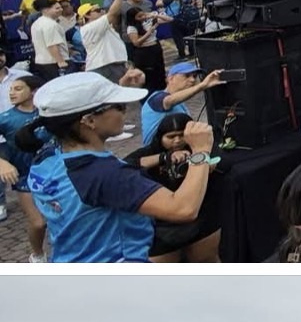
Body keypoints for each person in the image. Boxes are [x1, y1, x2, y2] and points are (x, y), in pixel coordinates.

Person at [18, 72, 215, 263]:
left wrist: (116, 88)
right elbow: (183, 209)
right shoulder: (104, 174)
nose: (125, 111)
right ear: (90, 120)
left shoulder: (46, 156)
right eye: (119, 106)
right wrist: (200, 151)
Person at [123, 113, 222, 262]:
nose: (177, 141)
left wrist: (203, 163)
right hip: (163, 227)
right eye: (171, 137)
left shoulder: (203, 148)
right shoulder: (150, 152)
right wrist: (164, 158)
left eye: (182, 135)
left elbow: (220, 160)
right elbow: (125, 166)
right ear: (160, 137)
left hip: (200, 218)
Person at [0, 71, 46, 261]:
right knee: (38, 223)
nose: (12, 93)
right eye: (11, 89)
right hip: (25, 176)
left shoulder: (47, 112)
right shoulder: (5, 118)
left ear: (34, 91)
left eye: (18, 89)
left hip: (52, 172)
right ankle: (37, 255)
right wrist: (2, 162)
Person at [140, 61, 224, 145]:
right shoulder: (157, 97)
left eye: (194, 76)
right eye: (186, 76)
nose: (192, 80)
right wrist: (203, 85)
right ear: (170, 78)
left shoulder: (180, 103)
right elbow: (168, 100)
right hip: (157, 150)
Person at [29, 0, 68, 84]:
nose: (61, 9)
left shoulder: (36, 23)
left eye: (60, 7)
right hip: (53, 62)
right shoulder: (50, 24)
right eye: (57, 8)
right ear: (46, 10)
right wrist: (61, 62)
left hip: (42, 62)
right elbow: (52, 45)